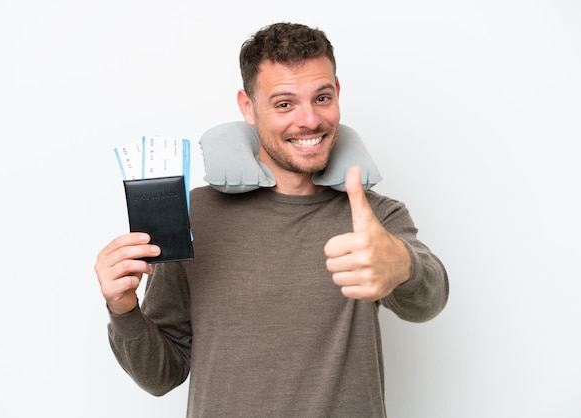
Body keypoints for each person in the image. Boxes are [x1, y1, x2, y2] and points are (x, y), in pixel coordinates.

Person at [95, 22, 449, 417]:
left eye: (322, 97)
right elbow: (162, 375)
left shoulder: (375, 216)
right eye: (285, 104)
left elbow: (428, 301)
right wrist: (124, 308)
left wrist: (402, 264)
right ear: (248, 107)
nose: (309, 120)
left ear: (338, 94)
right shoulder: (196, 215)